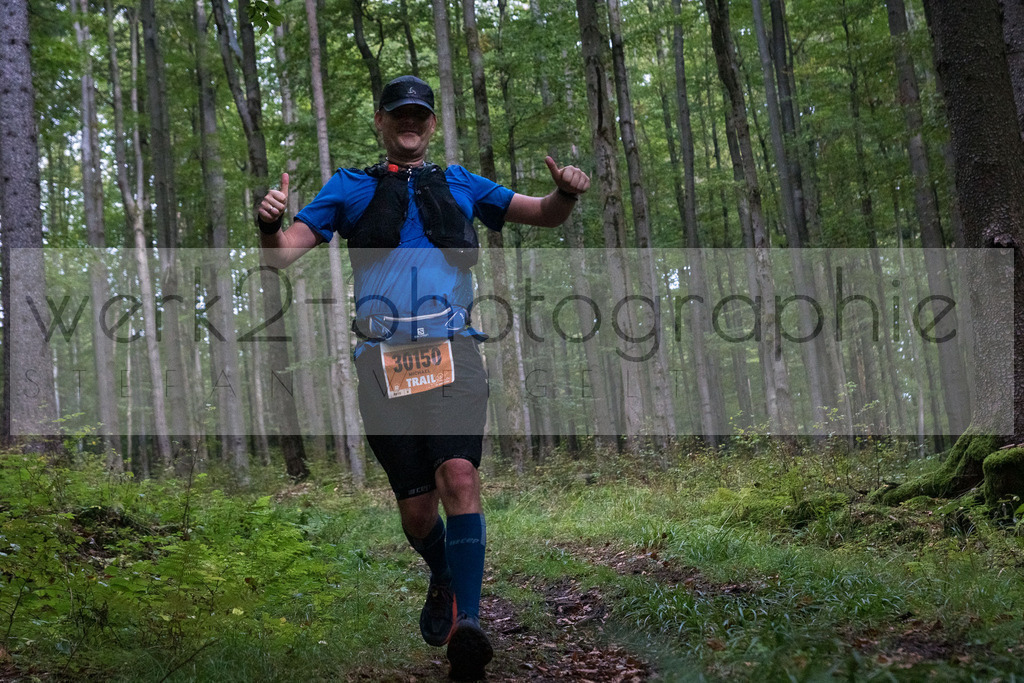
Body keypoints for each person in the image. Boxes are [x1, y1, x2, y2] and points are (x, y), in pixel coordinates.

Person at [256, 75, 589, 680]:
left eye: (421, 115)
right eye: (399, 113)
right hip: (381, 363)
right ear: (381, 121)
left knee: (459, 475)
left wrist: (565, 192)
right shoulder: (349, 187)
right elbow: (280, 255)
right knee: (415, 513)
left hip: (453, 350)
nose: (411, 122)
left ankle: (470, 625)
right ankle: (442, 573)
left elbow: (543, 214)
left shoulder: (462, 182)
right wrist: (267, 221)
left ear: (432, 124)